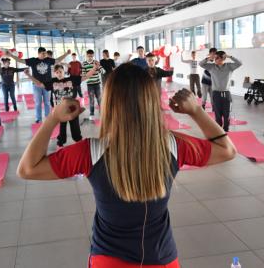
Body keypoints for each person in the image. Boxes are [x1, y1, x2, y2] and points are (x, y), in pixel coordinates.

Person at [17, 63, 236, 268]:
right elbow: (227, 150)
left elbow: (27, 169)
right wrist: (196, 111)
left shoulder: (91, 151)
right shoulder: (173, 145)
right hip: (162, 259)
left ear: (110, 103)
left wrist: (53, 118)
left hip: (108, 260)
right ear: (151, 101)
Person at [8, 47, 71, 123]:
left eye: (45, 53)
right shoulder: (33, 60)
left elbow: (58, 60)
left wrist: (66, 54)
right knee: (38, 103)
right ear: (38, 53)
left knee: (47, 102)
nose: (45, 55)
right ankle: (38, 119)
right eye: (43, 53)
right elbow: (20, 60)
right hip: (36, 85)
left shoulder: (48, 60)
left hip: (47, 85)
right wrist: (11, 55)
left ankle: (48, 117)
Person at [199, 51, 242, 132]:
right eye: (215, 58)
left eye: (218, 58)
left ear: (223, 58)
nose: (216, 59)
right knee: (218, 114)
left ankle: (226, 130)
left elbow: (239, 63)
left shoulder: (229, 66)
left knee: (227, 114)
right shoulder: (211, 67)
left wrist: (230, 56)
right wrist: (209, 58)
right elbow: (201, 64)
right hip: (216, 94)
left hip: (226, 93)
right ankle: (219, 130)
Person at [51, 64, 82, 147]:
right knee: (62, 125)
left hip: (72, 108)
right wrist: (54, 107)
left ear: (63, 71)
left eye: (60, 72)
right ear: (55, 73)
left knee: (75, 126)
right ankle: (61, 140)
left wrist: (93, 69)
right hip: (61, 109)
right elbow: (53, 97)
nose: (59, 73)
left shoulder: (70, 80)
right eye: (57, 72)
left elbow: (83, 79)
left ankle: (78, 139)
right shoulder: (53, 82)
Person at [82, 49, 104, 121]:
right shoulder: (84, 64)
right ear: (86, 56)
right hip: (90, 85)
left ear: (93, 55)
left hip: (97, 84)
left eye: (91, 56)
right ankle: (92, 113)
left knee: (99, 99)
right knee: (91, 100)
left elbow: (103, 71)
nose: (90, 57)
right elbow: (83, 74)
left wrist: (98, 66)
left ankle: (102, 112)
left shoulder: (96, 62)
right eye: (88, 56)